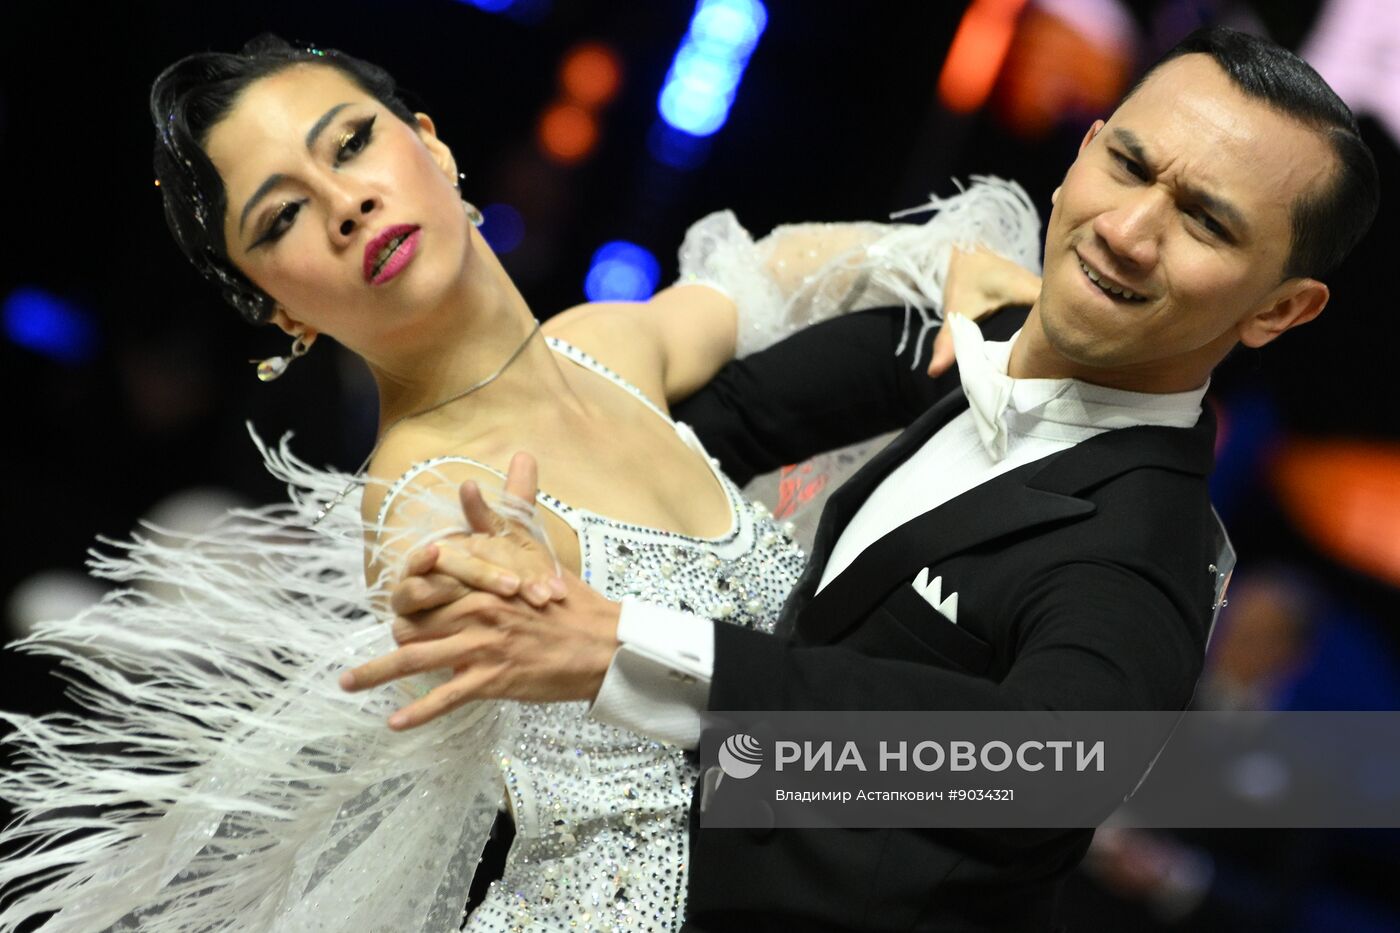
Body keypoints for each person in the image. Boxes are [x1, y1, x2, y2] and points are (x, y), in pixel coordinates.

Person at [0, 34, 1046, 933]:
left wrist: (929, 263)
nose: (347, 204)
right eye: (279, 220)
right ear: (281, 311)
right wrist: (451, 587)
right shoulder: (422, 490)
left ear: (431, 142)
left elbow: (758, 274)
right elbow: (432, 575)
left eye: (353, 144)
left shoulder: (600, 349)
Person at [345, 26, 1380, 932]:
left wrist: (620, 652)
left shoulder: (1141, 549)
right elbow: (683, 422)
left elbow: (1048, 771)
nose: (1126, 229)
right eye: (1126, 164)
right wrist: (514, 551)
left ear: (1277, 310)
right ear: (1081, 149)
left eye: (1202, 221)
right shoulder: (949, 339)